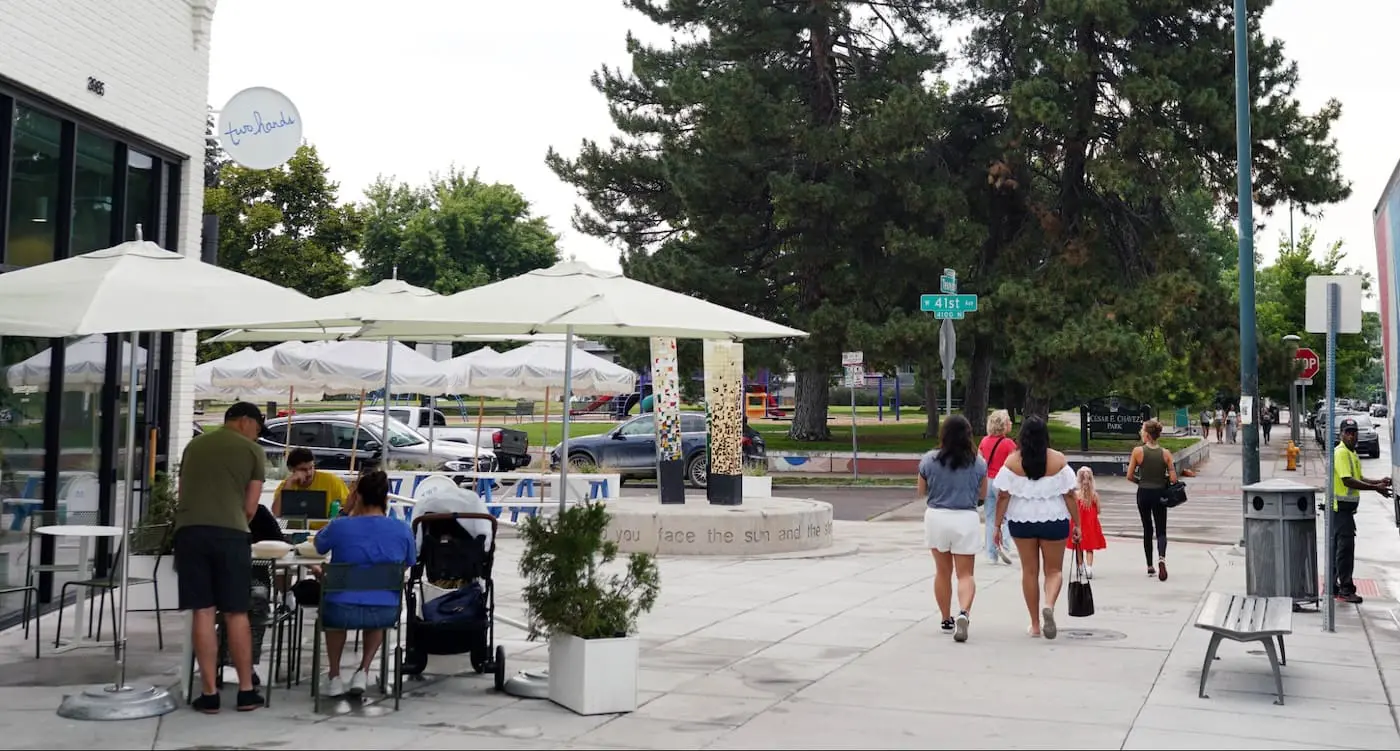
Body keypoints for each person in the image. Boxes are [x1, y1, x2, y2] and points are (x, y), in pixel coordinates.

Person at [175, 401, 267, 713]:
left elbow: (182, 490)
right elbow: (251, 508)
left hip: (190, 532)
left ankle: (210, 694)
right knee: (236, 613)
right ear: (244, 421)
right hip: (231, 534)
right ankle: (245, 691)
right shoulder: (253, 452)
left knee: (202, 611)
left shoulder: (194, 446)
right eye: (257, 429)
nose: (256, 435)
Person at [313, 470, 416, 697]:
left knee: (335, 606)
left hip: (339, 610)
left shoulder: (341, 526)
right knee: (378, 600)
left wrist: (345, 511)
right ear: (386, 498)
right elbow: (408, 563)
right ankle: (363, 671)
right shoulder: (402, 529)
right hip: (384, 612)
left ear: (357, 496)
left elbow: (318, 545)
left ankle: (334, 675)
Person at [992, 416, 1080, 640]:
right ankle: (1049, 605)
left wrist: (997, 525)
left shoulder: (1012, 462)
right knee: (1054, 571)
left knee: (1029, 572)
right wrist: (1078, 523)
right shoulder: (1058, 460)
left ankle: (1034, 624)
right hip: (1054, 519)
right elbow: (1070, 494)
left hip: (1022, 521)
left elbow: (1002, 495)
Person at [917, 414, 986, 643]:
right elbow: (983, 495)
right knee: (965, 574)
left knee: (942, 571)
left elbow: (921, 491)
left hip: (937, 517)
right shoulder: (978, 462)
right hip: (965, 517)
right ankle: (964, 612)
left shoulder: (929, 459)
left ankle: (946, 618)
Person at [1332, 417, 1393, 604]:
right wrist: (1376, 489)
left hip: (1345, 511)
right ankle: (1345, 588)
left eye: (1353, 432)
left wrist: (1378, 482)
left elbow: (1359, 478)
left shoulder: (1351, 453)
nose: (1351, 436)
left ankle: (1335, 586)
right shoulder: (1341, 453)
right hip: (1340, 510)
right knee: (1345, 551)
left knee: (1340, 550)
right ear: (1341, 434)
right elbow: (1347, 480)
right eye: (1347, 432)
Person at [1126, 419, 1177, 581]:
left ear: (1147, 434)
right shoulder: (1166, 453)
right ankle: (1162, 558)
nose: (1141, 433)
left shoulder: (1137, 452)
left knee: (1147, 528)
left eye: (1142, 431)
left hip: (1143, 494)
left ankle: (1149, 565)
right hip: (1160, 493)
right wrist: (1165, 479)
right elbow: (1174, 479)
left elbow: (1129, 476)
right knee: (1161, 529)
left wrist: (1141, 482)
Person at [272, 447, 349, 526]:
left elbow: (349, 507)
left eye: (311, 467)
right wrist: (289, 483)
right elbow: (276, 513)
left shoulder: (332, 481)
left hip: (324, 532)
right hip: (296, 533)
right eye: (303, 469)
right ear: (291, 469)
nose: (309, 473)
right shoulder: (287, 485)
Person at [978, 410, 1016, 565]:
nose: (1011, 424)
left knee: (990, 517)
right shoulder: (1009, 444)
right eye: (1009, 422)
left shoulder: (984, 441)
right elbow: (1014, 464)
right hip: (1003, 483)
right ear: (1003, 425)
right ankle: (1005, 546)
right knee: (1007, 516)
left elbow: (980, 462)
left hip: (987, 481)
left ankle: (991, 553)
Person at [1068, 467, 1107, 578]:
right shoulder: (1094, 495)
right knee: (1089, 547)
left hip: (1078, 523)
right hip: (1091, 523)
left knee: (1078, 547)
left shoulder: (1076, 495)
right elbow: (1099, 510)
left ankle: (1080, 567)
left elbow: (1072, 509)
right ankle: (1089, 569)